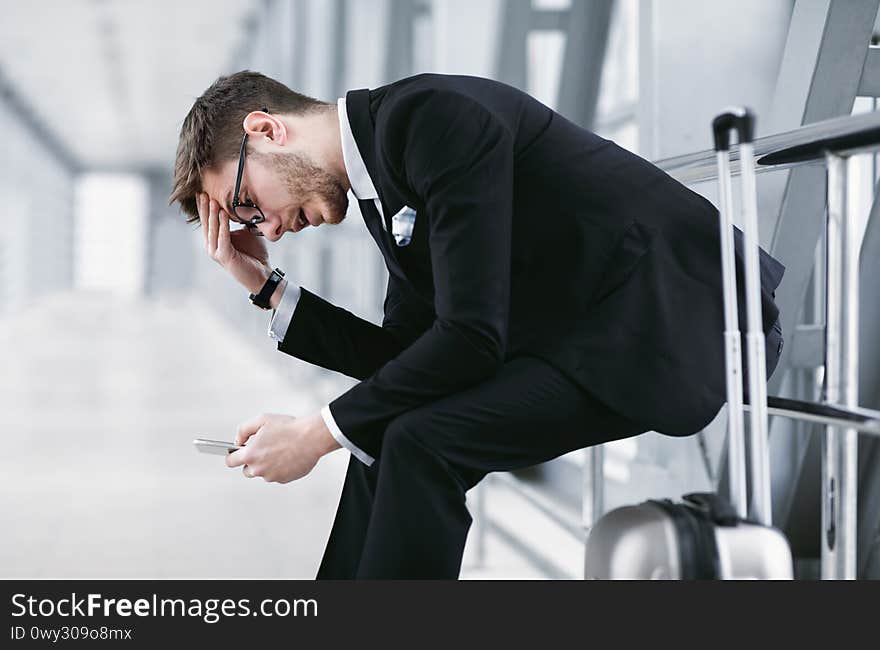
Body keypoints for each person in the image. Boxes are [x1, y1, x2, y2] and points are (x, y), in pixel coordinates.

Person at [169, 70, 786, 579]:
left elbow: (469, 338)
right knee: (389, 429)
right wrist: (266, 287)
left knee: (419, 440)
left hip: (678, 319)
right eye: (249, 224)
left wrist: (317, 433)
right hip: (584, 332)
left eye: (247, 204)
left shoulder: (433, 119)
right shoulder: (382, 177)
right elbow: (406, 357)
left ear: (266, 129)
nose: (268, 230)